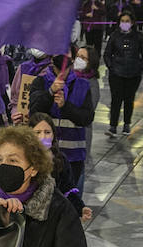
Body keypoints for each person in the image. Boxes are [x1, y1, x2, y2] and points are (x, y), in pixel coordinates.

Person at [28, 48, 96, 198]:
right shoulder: (40, 82)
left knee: (71, 199)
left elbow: (86, 118)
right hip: (44, 155)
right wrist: (50, 92)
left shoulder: (83, 85)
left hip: (73, 157)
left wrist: (66, 107)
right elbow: (33, 111)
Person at [103, 11, 143, 136]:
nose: (124, 23)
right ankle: (113, 126)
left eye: (127, 21)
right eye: (122, 21)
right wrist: (111, 66)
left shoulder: (139, 36)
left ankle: (127, 124)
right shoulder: (114, 35)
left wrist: (140, 67)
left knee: (129, 99)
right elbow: (107, 53)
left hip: (133, 73)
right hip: (116, 73)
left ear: (132, 22)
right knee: (116, 100)